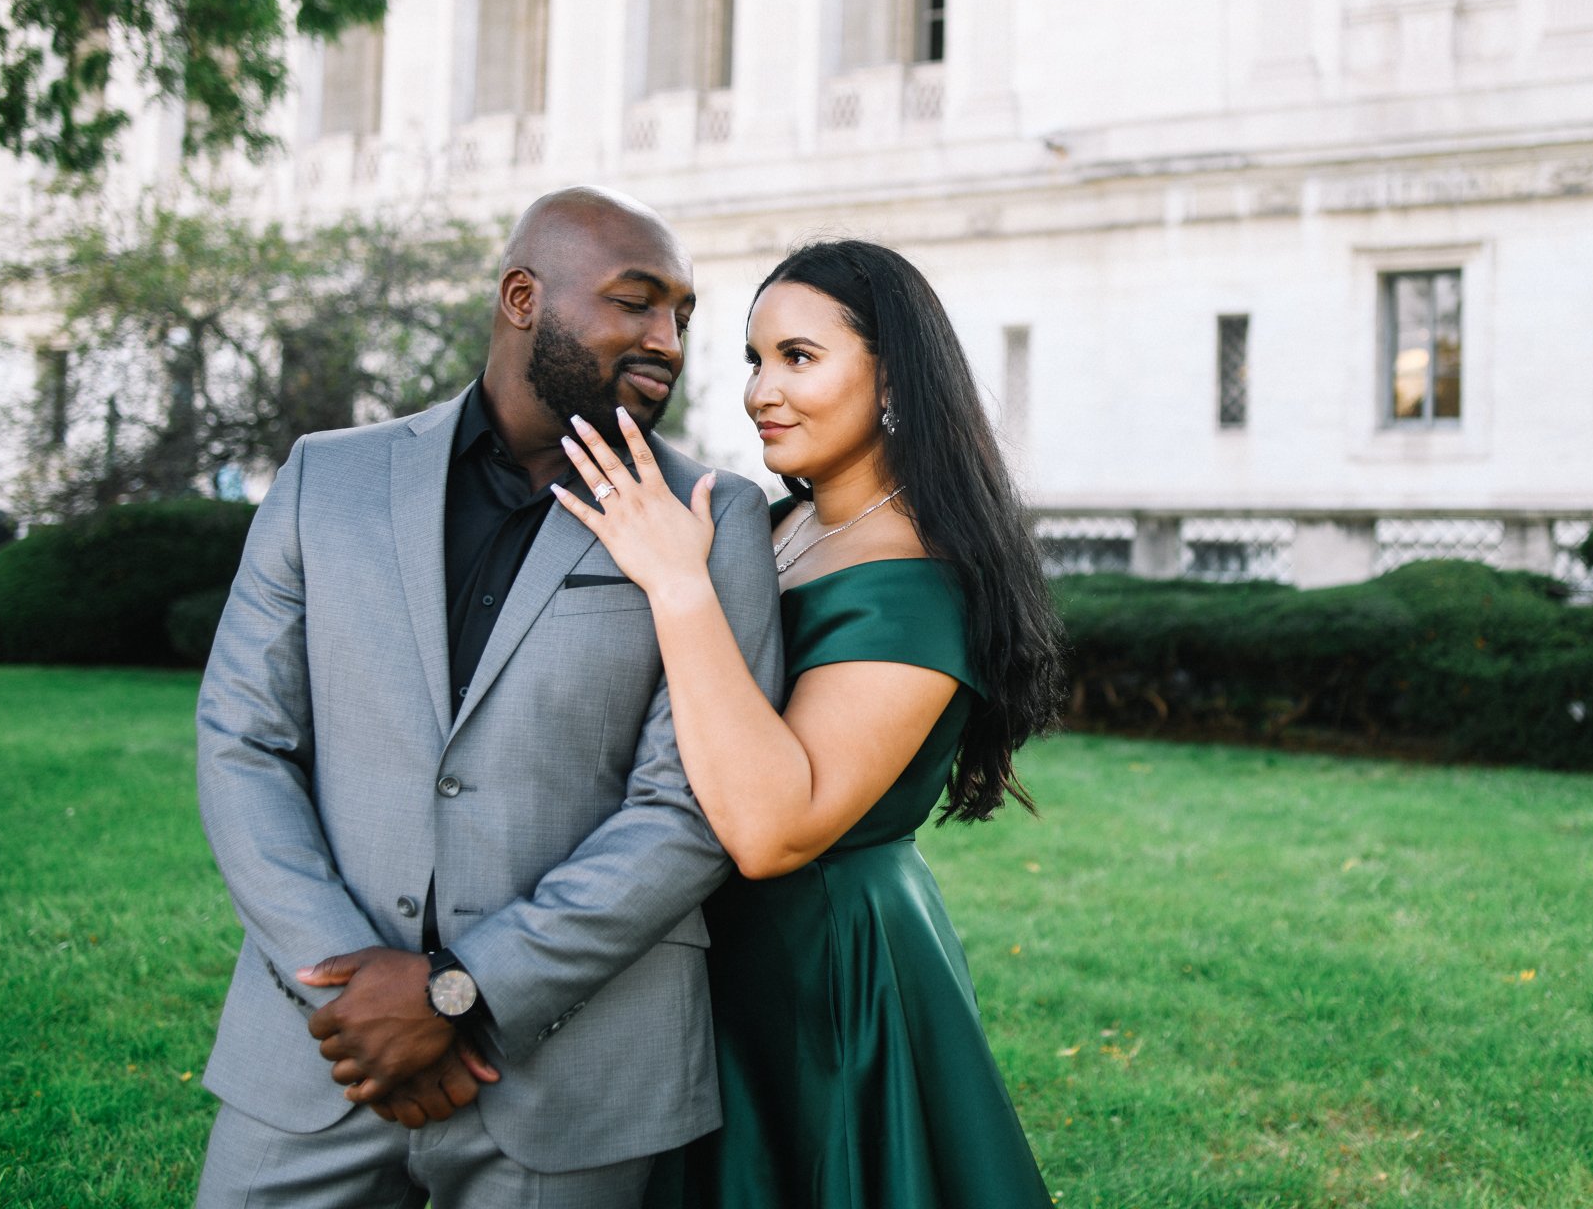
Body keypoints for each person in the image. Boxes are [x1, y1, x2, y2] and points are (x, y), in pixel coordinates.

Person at [192, 186, 784, 1207]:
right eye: (637, 302)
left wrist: (462, 993)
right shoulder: (323, 481)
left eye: (683, 315)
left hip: (574, 1079)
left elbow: (689, 808)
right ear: (522, 296)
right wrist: (351, 987)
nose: (670, 341)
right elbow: (244, 741)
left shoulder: (712, 517)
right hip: (318, 1054)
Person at [551, 239, 1067, 1208]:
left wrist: (677, 584)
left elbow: (774, 829)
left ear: (893, 378)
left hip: (825, 971)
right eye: (753, 359)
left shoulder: (919, 580)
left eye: (798, 357)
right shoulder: (778, 528)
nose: (760, 391)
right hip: (709, 954)